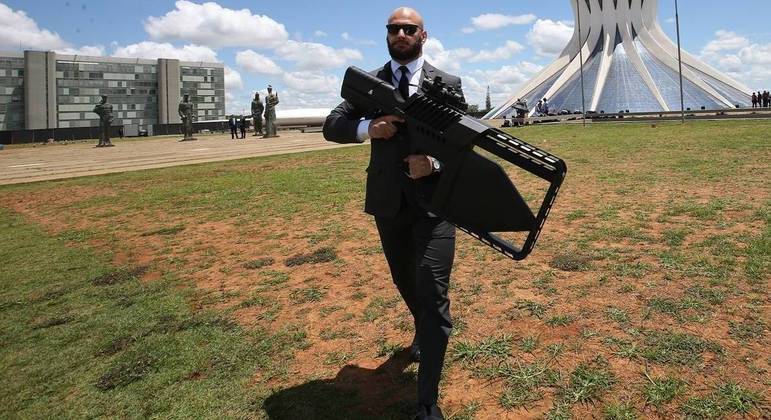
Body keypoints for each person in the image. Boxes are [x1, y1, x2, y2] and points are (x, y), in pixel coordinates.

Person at [323, 7, 461, 420]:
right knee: (406, 281)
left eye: (409, 28)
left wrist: (433, 164)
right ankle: (422, 328)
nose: (401, 33)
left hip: (436, 207)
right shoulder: (368, 85)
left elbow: (463, 145)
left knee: (433, 291)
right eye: (394, 28)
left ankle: (427, 403)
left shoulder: (446, 84)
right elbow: (332, 125)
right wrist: (369, 128)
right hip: (389, 205)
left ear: (423, 35)